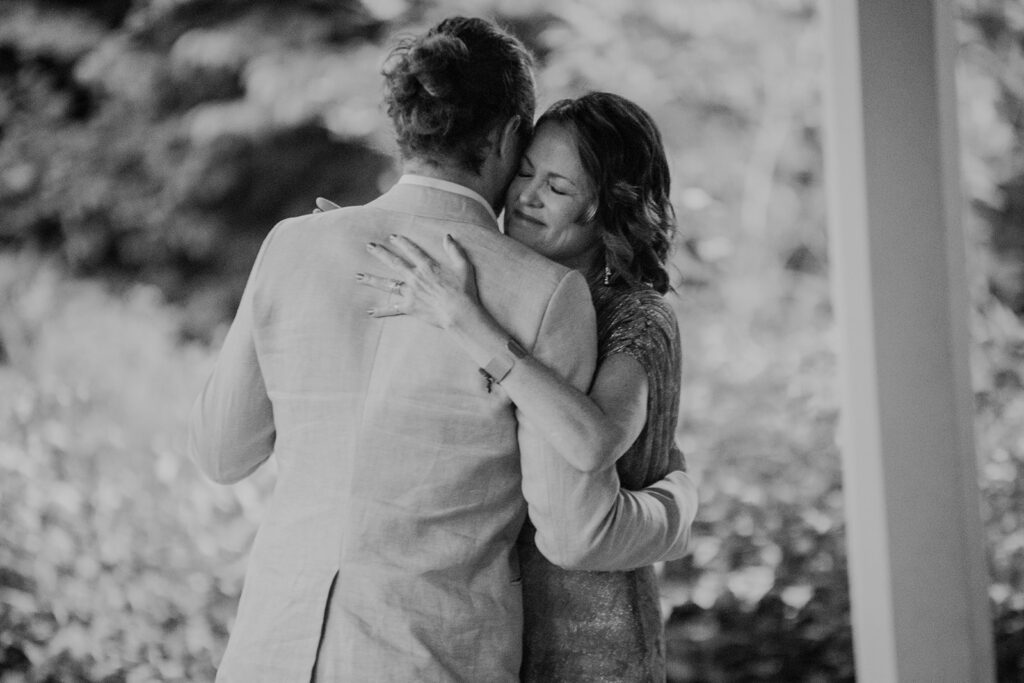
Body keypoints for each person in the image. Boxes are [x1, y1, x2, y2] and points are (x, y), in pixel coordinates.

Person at [188, 17, 694, 682]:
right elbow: (576, 528)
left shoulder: (294, 244)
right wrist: (681, 498)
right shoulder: (546, 296)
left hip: (269, 654)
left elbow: (221, 454)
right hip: (431, 661)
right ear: (512, 134)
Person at [357, 91, 691, 681]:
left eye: (558, 188)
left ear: (607, 208)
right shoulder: (492, 286)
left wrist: (468, 323)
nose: (526, 197)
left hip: (593, 629)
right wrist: (356, 241)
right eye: (526, 173)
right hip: (486, 615)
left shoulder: (639, 316)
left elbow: (596, 441)